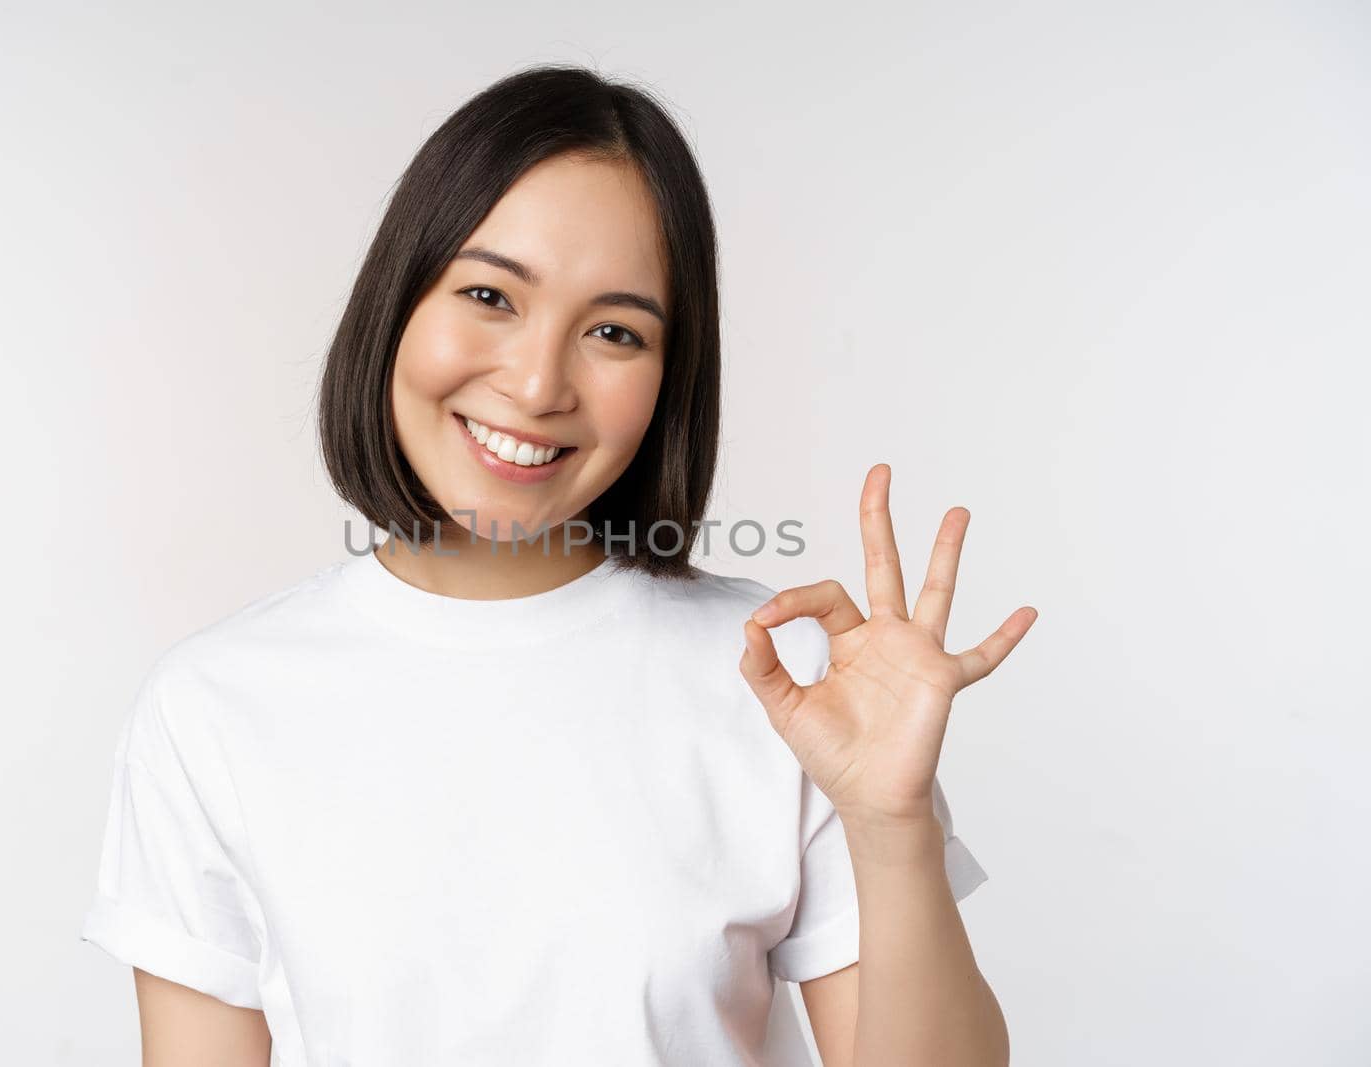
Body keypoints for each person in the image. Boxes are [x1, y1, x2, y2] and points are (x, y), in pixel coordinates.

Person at [79, 62, 1033, 1067]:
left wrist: (889, 824)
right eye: (490, 294)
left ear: (670, 381)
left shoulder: (784, 676)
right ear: (397, 301)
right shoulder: (214, 704)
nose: (537, 384)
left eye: (614, 331)